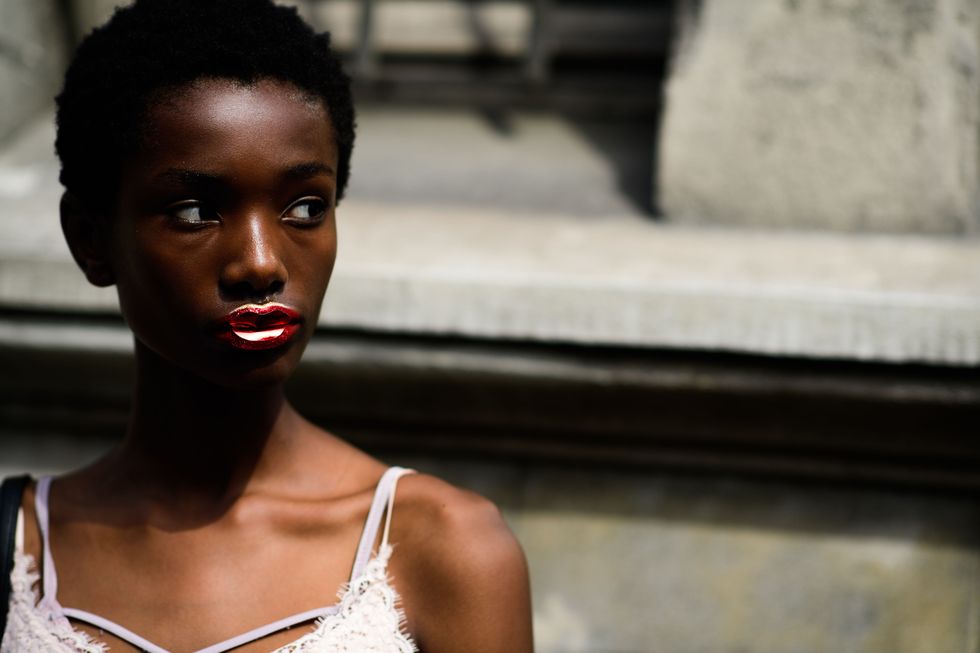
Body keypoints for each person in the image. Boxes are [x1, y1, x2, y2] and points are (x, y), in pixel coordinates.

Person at [0, 0, 533, 651]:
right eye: (196, 211)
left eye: (306, 206)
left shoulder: (447, 549)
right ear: (90, 238)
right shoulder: (20, 546)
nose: (260, 261)